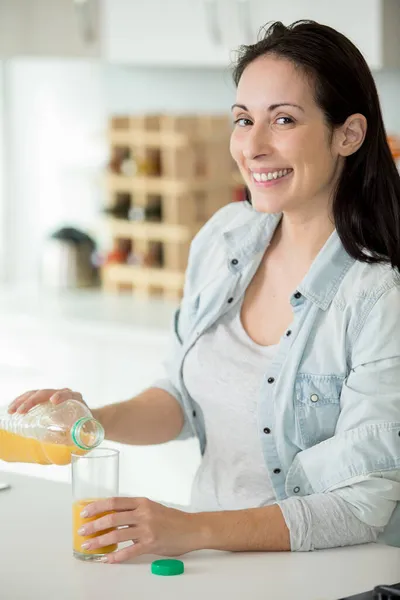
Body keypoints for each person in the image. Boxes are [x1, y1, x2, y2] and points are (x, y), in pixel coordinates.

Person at [9, 20, 400, 563]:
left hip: (318, 574)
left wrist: (188, 529)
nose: (254, 146)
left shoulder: (379, 296)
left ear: (348, 135)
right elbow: (182, 399)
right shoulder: (225, 238)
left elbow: (361, 508)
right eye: (243, 120)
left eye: (283, 119)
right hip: (209, 564)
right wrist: (91, 420)